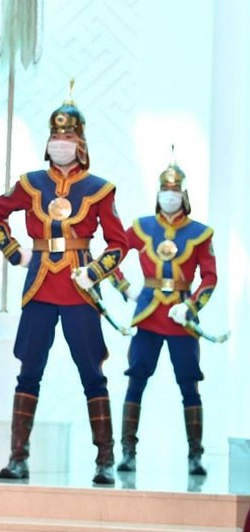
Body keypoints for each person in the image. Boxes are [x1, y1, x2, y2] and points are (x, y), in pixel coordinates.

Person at [0, 89, 129, 485]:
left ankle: (105, 459)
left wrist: (95, 272)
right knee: (29, 372)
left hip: (80, 288)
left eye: (68, 137)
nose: (60, 143)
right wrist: (14, 252)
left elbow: (119, 243)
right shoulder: (30, 183)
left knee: (92, 374)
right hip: (40, 287)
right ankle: (18, 458)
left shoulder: (100, 188)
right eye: (55, 137)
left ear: (80, 143)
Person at [110, 159, 217, 476]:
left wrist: (192, 307)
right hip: (148, 315)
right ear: (158, 194)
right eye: (165, 190)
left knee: (189, 385)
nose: (170, 196)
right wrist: (124, 287)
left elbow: (210, 278)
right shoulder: (142, 227)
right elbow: (112, 255)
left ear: (184, 195)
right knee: (136, 381)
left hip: (181, 318)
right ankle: (127, 452)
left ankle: (195, 455)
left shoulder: (200, 233)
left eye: (175, 190)